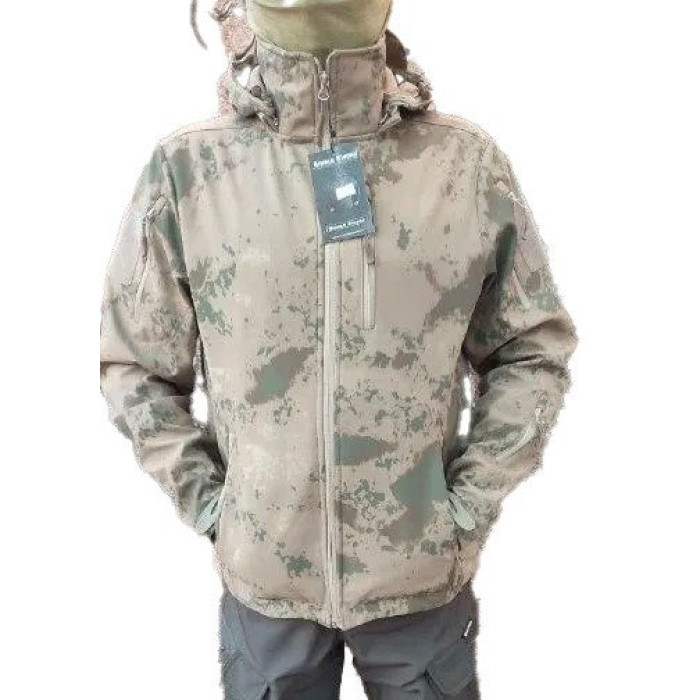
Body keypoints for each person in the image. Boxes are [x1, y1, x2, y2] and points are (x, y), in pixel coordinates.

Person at [98, 0, 578, 696]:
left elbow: (530, 349)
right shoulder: (191, 170)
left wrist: (465, 509)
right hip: (268, 593)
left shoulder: (461, 166)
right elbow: (137, 366)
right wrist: (218, 512)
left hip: (420, 589)